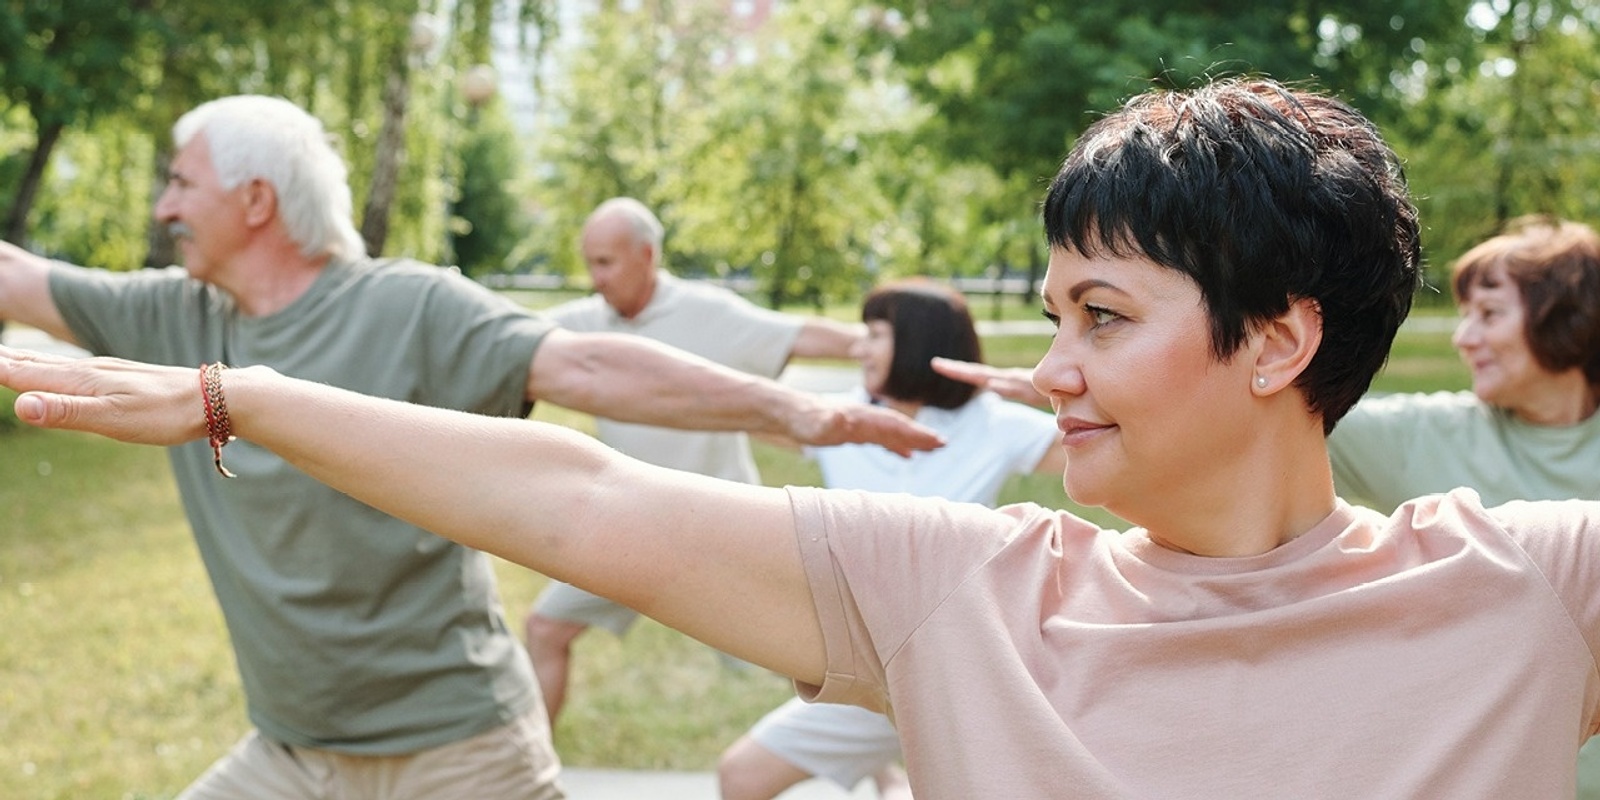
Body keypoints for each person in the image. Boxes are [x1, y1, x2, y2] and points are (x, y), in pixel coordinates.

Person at [13, 77, 1600, 798]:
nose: (1048, 369)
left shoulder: (1536, 592)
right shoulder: (964, 595)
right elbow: (575, 500)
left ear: (1280, 340)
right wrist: (244, 397)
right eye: (1050, 315)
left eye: (1101, 318)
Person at [0, 95, 936, 800]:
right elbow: (18, 276)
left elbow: (591, 369)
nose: (164, 205)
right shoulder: (168, 314)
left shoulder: (407, 306)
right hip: (288, 753)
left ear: (255, 200)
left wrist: (793, 414)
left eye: (179, 181)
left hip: (458, 750)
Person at [523, 196, 865, 726]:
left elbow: (801, 335)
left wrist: (896, 347)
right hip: (626, 523)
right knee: (546, 629)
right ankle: (531, 774)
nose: (595, 278)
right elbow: (504, 334)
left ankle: (879, 768)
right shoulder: (586, 323)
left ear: (647, 255)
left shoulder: (707, 313)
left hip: (720, 529)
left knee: (803, 661)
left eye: (606, 263)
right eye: (589, 262)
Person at [717, 279, 1064, 800]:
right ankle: (886, 775)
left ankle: (890, 778)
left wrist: (1052, 387)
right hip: (868, 663)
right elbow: (741, 412)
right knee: (741, 776)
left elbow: (1123, 442)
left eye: (876, 334)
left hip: (959, 670)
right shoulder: (842, 418)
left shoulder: (990, 423)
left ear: (921, 342)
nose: (860, 347)